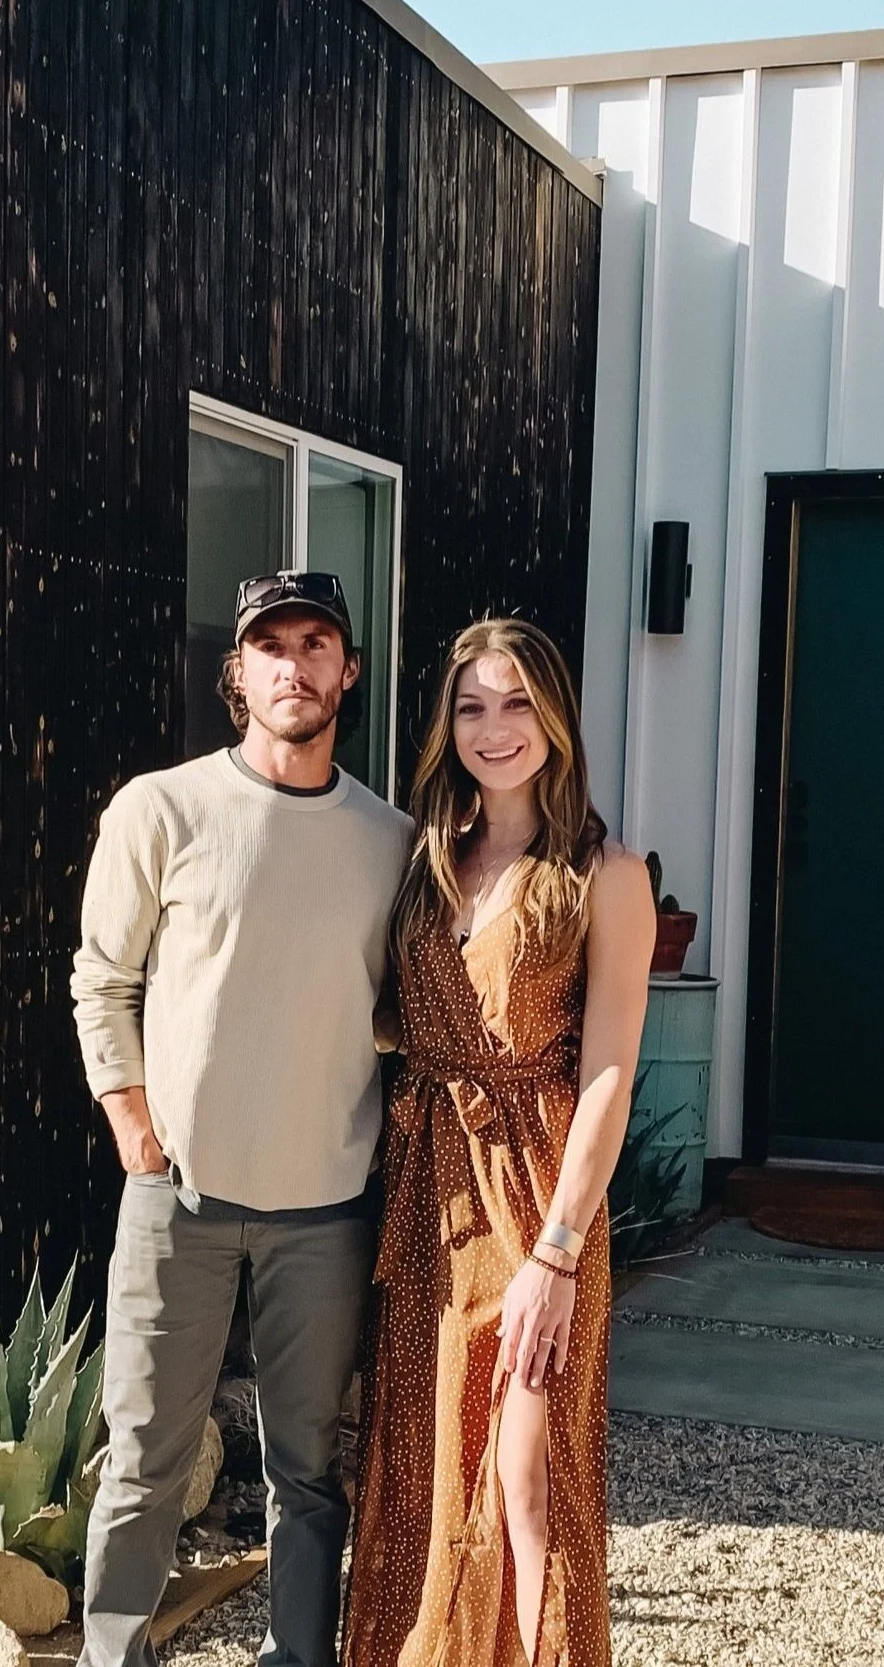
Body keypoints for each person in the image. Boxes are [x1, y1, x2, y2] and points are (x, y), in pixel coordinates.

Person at [71, 570, 412, 1667]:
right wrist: (129, 1116)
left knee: (307, 1464)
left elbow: (407, 1010)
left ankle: (299, 1657)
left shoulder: (392, 840)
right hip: (181, 1199)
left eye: (318, 644)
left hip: (325, 1208)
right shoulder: (160, 807)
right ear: (240, 672)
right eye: (273, 645)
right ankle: (112, 1650)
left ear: (347, 671)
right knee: (145, 1456)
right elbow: (101, 975)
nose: (295, 664)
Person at [343, 617, 653, 1667]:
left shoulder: (606, 872)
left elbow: (609, 1069)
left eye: (517, 700)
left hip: (537, 1197)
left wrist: (559, 1252)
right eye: (472, 704)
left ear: (555, 714)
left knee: (529, 1468)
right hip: (429, 1195)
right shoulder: (427, 856)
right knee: (426, 1467)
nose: (495, 726)